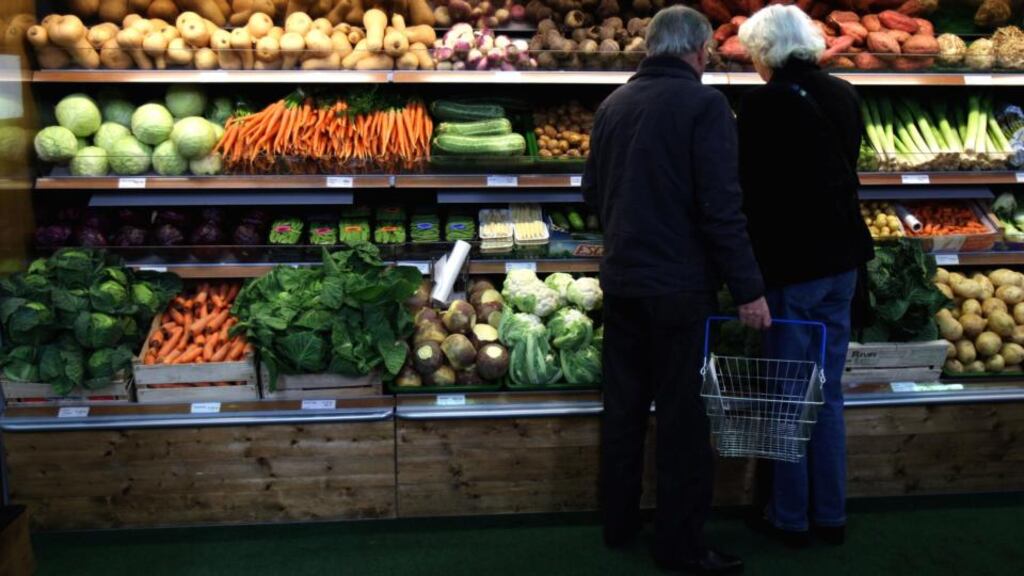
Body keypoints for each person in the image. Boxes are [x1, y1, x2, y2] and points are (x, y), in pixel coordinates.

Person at [583, 5, 771, 573]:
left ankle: (618, 524)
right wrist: (749, 288)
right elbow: (721, 207)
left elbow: (591, 192)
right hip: (679, 289)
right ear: (698, 51)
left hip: (623, 282)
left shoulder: (613, 105)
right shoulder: (704, 105)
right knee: (683, 422)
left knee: (623, 410)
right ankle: (680, 545)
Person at [736, 5, 874, 547]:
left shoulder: (761, 105)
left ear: (766, 52)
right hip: (843, 261)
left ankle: (789, 517)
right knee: (828, 392)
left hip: (794, 266)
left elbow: (753, 191)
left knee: (789, 394)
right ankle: (830, 515)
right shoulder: (844, 93)